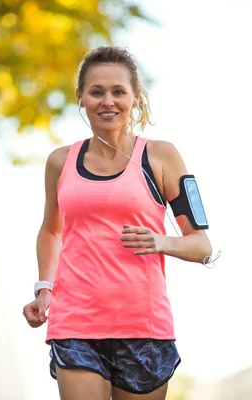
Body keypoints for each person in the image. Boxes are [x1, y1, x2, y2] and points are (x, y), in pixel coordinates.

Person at [22, 45, 213, 400]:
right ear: (80, 98)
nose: (107, 101)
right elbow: (52, 229)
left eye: (118, 92)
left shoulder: (161, 156)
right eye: (96, 92)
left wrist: (161, 241)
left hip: (144, 327)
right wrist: (43, 287)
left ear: (134, 98)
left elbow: (202, 246)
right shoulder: (60, 162)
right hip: (76, 322)